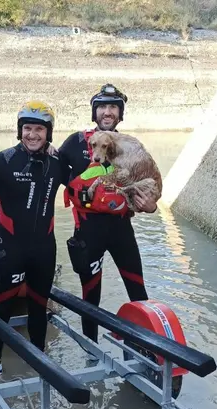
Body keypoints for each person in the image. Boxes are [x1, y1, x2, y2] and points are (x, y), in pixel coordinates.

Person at [0, 101, 69, 379]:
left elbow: (84, 185)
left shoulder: (58, 162)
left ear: (49, 132)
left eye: (39, 129)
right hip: (10, 249)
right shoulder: (3, 161)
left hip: (45, 249)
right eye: (27, 128)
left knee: (38, 306)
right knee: (2, 309)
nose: (32, 135)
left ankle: (38, 361)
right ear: (19, 130)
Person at [58, 83, 158, 351]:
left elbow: (149, 187)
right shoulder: (76, 142)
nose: (107, 111)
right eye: (102, 106)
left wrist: (151, 206)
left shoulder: (132, 148)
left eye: (113, 107)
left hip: (121, 231)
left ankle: (147, 348)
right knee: (91, 297)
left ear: (120, 113)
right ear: (95, 112)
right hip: (88, 233)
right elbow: (49, 175)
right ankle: (91, 353)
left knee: (138, 291)